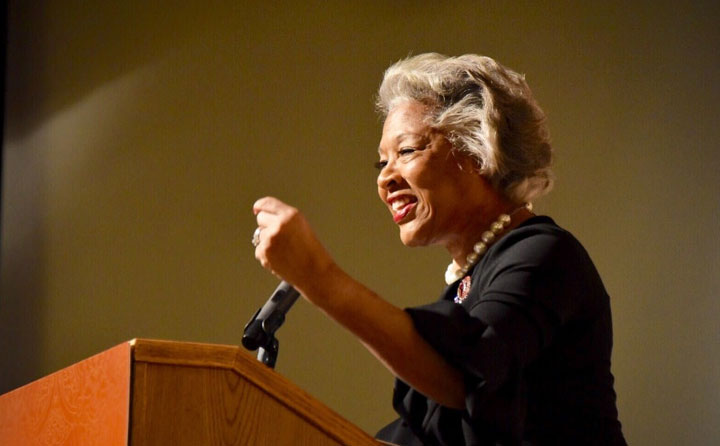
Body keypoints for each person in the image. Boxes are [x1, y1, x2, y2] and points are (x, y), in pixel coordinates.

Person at [251, 53, 626, 445]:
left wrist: (319, 278)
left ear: (479, 149)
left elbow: (466, 375)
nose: (386, 179)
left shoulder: (545, 256)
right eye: (381, 163)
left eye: (407, 151)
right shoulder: (466, 287)